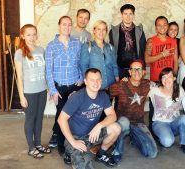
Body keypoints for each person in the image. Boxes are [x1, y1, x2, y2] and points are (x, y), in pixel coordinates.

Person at [58, 68, 121, 169]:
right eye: (92, 80)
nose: (96, 83)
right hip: (76, 138)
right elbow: (61, 120)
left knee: (116, 128)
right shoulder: (77, 97)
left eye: (98, 79)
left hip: (93, 134)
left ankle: (100, 154)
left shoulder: (103, 95)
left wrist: (99, 126)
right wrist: (73, 142)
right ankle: (70, 152)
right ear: (86, 81)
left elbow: (112, 116)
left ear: (101, 80)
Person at [45, 16, 83, 160]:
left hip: (74, 87)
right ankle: (62, 148)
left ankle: (74, 143)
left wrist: (80, 77)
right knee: (62, 118)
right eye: (64, 24)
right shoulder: (51, 46)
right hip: (60, 89)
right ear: (59, 26)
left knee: (74, 117)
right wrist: (53, 91)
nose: (67, 27)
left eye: (69, 25)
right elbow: (48, 71)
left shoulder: (76, 43)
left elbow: (79, 63)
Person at [109, 59, 158, 163]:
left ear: (144, 72)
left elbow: (164, 87)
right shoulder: (121, 84)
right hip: (122, 122)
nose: (136, 72)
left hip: (138, 122)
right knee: (123, 122)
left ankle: (134, 138)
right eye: (133, 69)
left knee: (151, 153)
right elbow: (103, 94)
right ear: (129, 72)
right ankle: (117, 150)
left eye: (139, 69)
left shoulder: (148, 84)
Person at [14, 24, 51, 159]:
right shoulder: (19, 53)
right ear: (23, 36)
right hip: (29, 92)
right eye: (28, 34)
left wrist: (49, 89)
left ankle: (38, 144)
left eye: (34, 34)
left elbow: (46, 71)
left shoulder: (41, 50)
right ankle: (31, 148)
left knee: (39, 118)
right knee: (30, 119)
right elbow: (20, 77)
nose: (32, 37)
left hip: (42, 90)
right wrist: (22, 96)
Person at [148, 67, 185, 154]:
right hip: (159, 122)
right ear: (161, 79)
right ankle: (161, 134)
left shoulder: (179, 90)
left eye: (169, 77)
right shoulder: (154, 90)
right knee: (167, 143)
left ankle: (183, 144)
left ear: (174, 78)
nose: (166, 79)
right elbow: (140, 96)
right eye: (164, 77)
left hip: (174, 122)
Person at [109, 4, 146, 79]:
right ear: (121, 15)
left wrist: (143, 67)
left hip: (135, 69)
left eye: (130, 14)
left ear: (133, 15)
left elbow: (142, 50)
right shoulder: (113, 31)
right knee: (119, 90)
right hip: (119, 68)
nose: (128, 17)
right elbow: (111, 52)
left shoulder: (140, 31)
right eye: (125, 14)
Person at [81, 20, 119, 90]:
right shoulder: (87, 47)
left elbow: (114, 65)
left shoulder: (110, 47)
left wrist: (117, 80)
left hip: (111, 86)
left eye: (104, 29)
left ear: (106, 31)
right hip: (95, 87)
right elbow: (84, 67)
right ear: (94, 30)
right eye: (99, 29)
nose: (101, 32)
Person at [145, 16, 178, 82]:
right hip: (156, 79)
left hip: (169, 79)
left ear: (168, 26)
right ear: (156, 28)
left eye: (164, 24)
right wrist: (162, 54)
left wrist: (174, 76)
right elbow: (147, 60)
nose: (162, 27)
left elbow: (176, 61)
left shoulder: (173, 41)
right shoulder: (150, 41)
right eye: (159, 25)